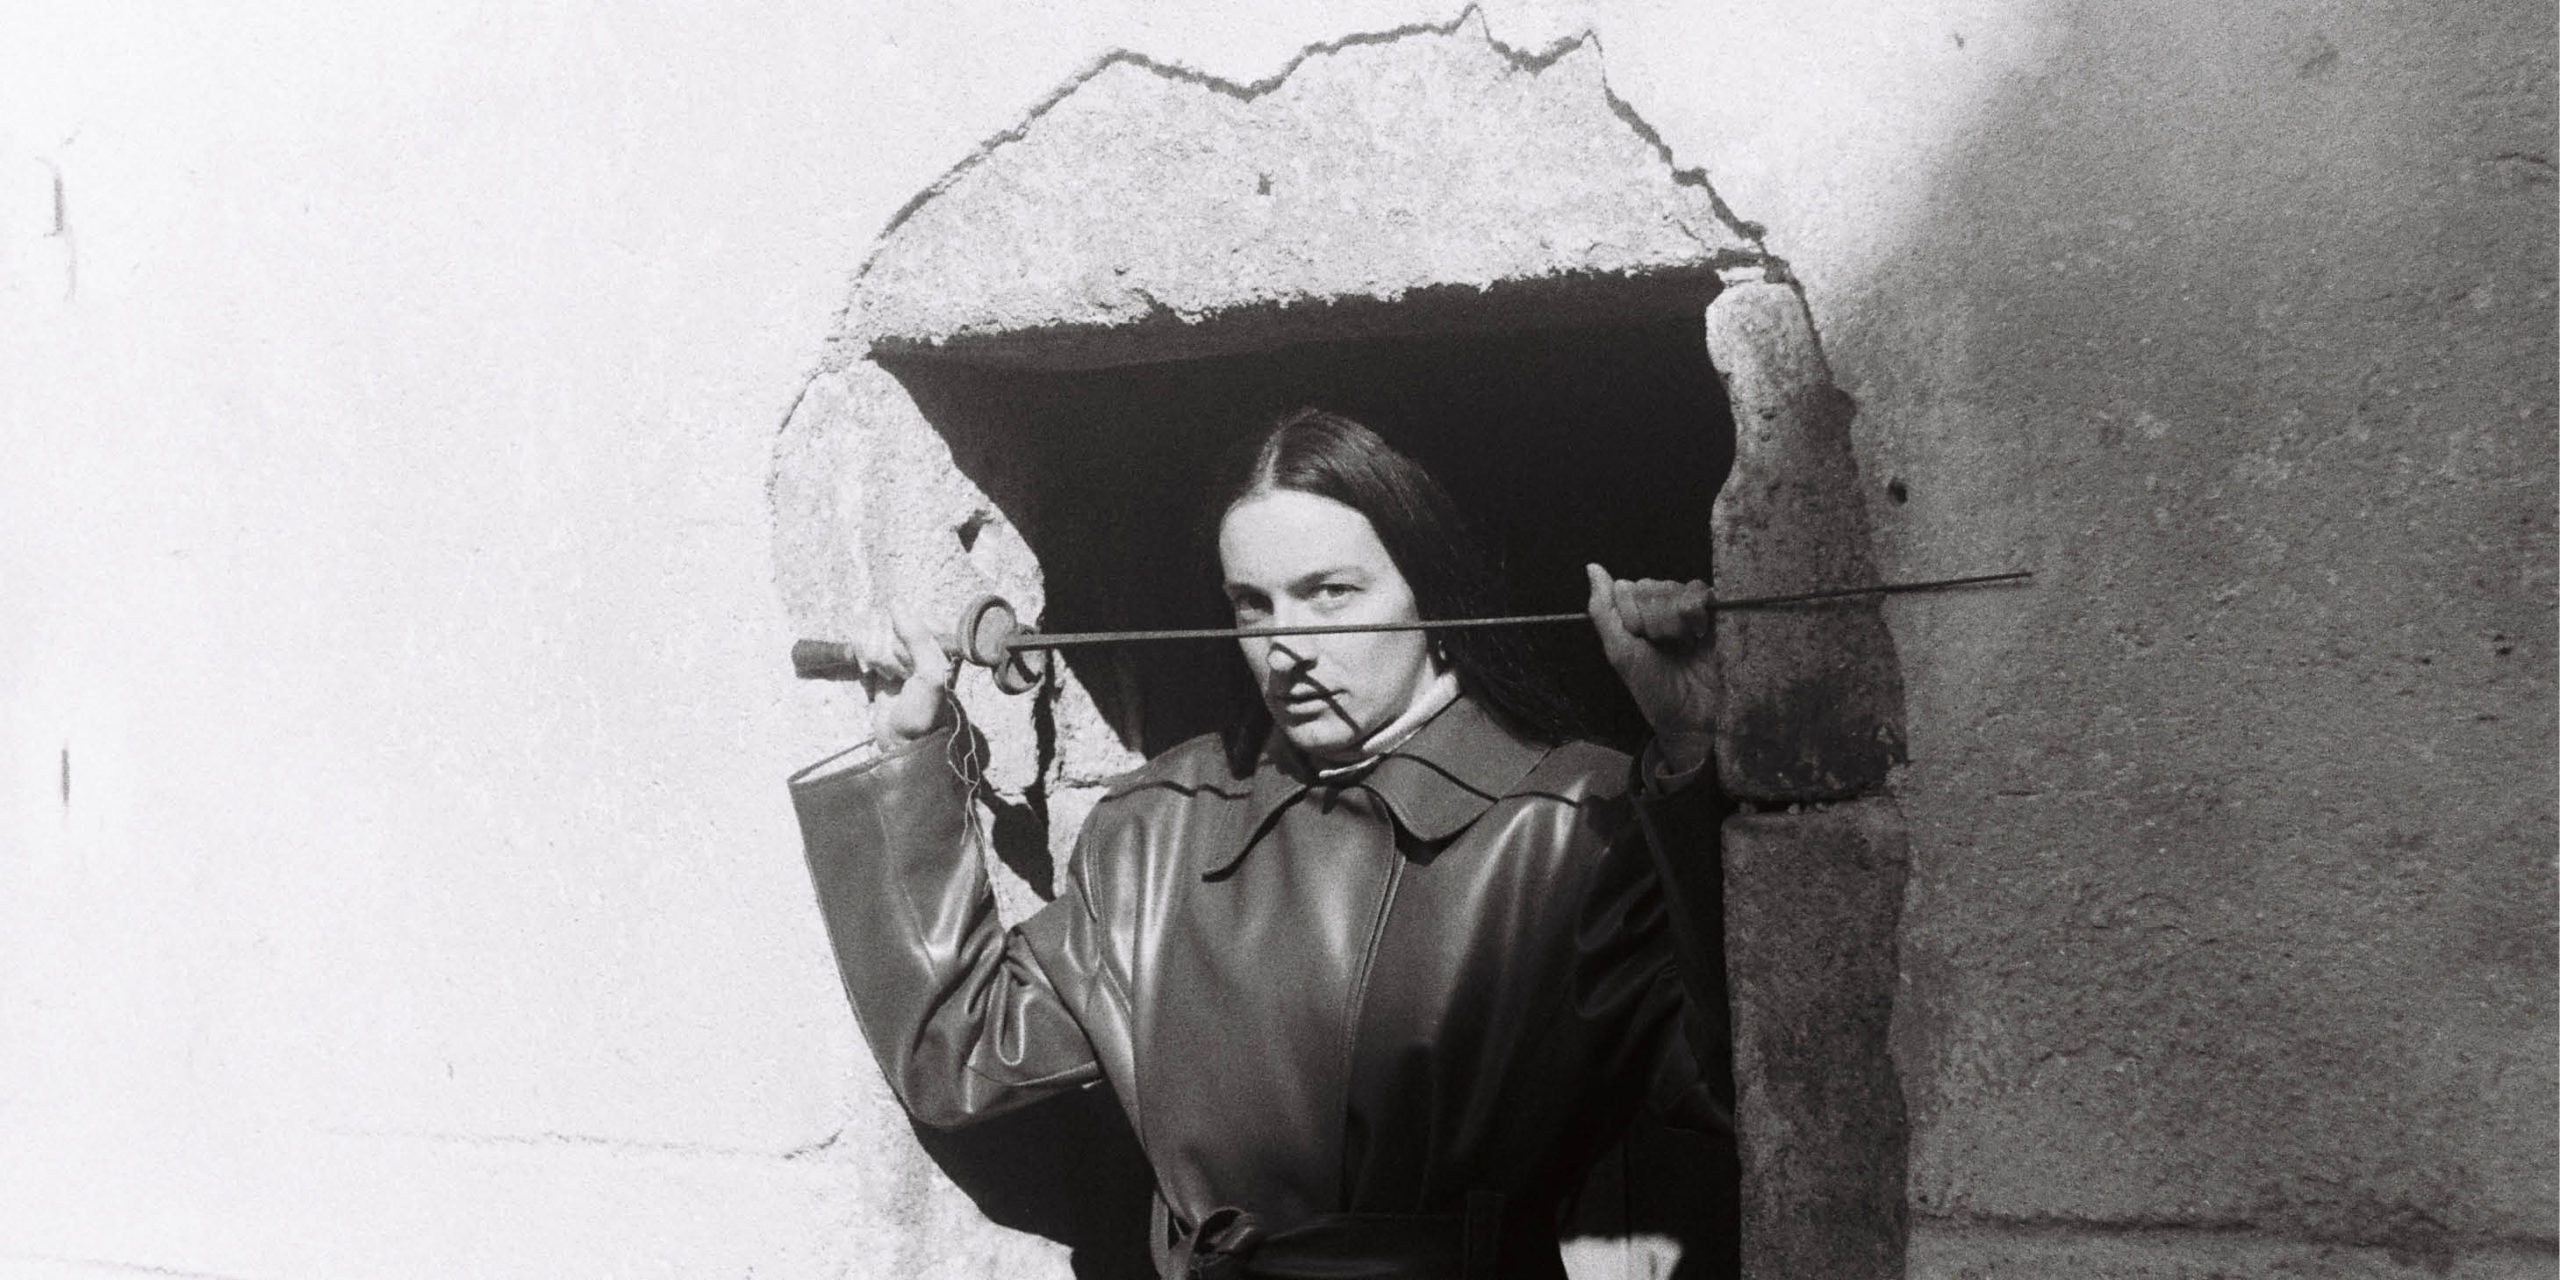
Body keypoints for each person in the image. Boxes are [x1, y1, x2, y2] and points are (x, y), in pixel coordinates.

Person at [789, 408, 1734, 1280]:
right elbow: (961, 1052)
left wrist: (1694, 759)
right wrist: (910, 755)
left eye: (1331, 594)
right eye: (1254, 604)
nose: (1287, 649)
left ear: (1433, 595)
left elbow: (1728, 1080)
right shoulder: (1157, 829)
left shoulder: (1574, 819)